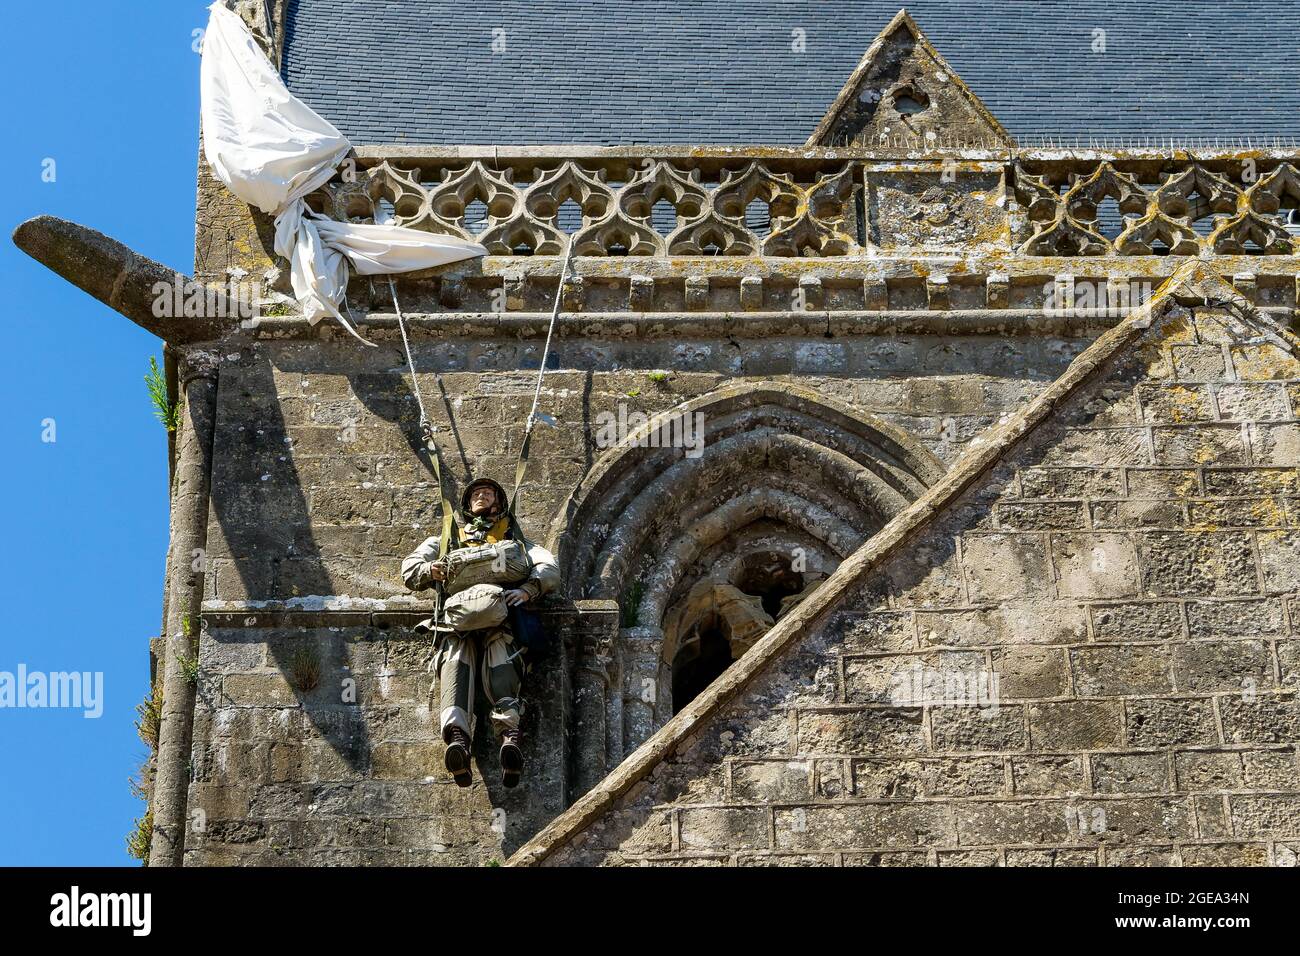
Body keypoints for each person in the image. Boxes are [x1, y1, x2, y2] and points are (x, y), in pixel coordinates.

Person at [400, 477, 559, 788]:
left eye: (488, 493)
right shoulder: (448, 540)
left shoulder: (516, 540)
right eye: (476, 494)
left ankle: (509, 734)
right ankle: (457, 738)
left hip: (502, 618)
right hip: (457, 621)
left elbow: (548, 566)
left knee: (502, 659)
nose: (481, 496)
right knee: (454, 662)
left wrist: (529, 589)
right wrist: (429, 570)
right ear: (467, 504)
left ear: (499, 503)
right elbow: (410, 566)